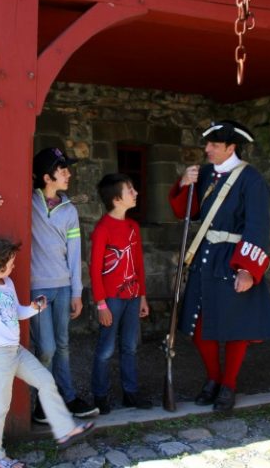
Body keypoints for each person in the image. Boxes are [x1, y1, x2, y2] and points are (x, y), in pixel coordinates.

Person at [0, 147, 99, 423]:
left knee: (63, 345)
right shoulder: (26, 202)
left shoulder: (70, 210)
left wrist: (77, 291)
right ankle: (44, 403)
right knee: (48, 348)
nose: (68, 174)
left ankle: (68, 396)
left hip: (63, 288)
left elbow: (75, 255)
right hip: (38, 288)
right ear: (46, 177)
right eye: (62, 169)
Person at [168, 120, 270, 412]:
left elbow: (258, 226)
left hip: (232, 259)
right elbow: (187, 213)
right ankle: (214, 379)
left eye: (214, 145)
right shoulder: (204, 174)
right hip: (205, 255)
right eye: (208, 144)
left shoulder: (251, 179)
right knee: (198, 325)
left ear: (231, 147)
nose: (207, 150)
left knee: (235, 328)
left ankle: (228, 384)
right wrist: (184, 184)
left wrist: (246, 269)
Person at [0, 236, 95, 468]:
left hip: (15, 351)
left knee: (46, 381)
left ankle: (65, 431)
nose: (14, 265)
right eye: (11, 261)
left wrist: (34, 308)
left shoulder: (9, 284)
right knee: (1, 405)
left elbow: (17, 313)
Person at [89, 173, 152, 415]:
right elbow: (95, 270)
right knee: (105, 349)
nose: (135, 193)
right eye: (130, 190)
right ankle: (100, 395)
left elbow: (138, 264)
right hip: (112, 299)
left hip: (133, 297)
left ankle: (130, 393)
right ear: (116, 199)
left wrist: (143, 296)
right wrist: (101, 304)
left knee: (130, 347)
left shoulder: (133, 227)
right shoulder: (103, 228)